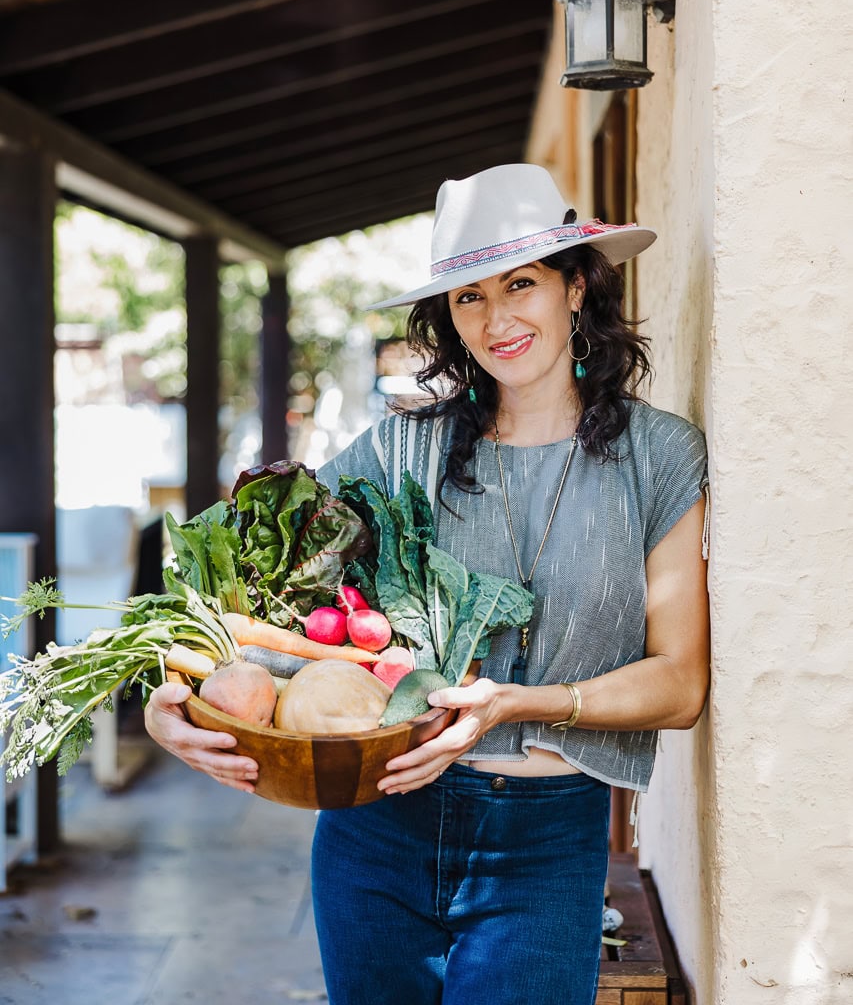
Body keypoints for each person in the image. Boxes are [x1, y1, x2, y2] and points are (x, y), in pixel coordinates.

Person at [144, 163, 710, 1005]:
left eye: (520, 283)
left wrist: (519, 702)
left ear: (576, 287)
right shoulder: (396, 452)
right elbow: (257, 603)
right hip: (377, 825)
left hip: (546, 844)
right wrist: (175, 699)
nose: (495, 318)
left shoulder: (659, 457)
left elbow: (679, 684)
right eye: (468, 297)